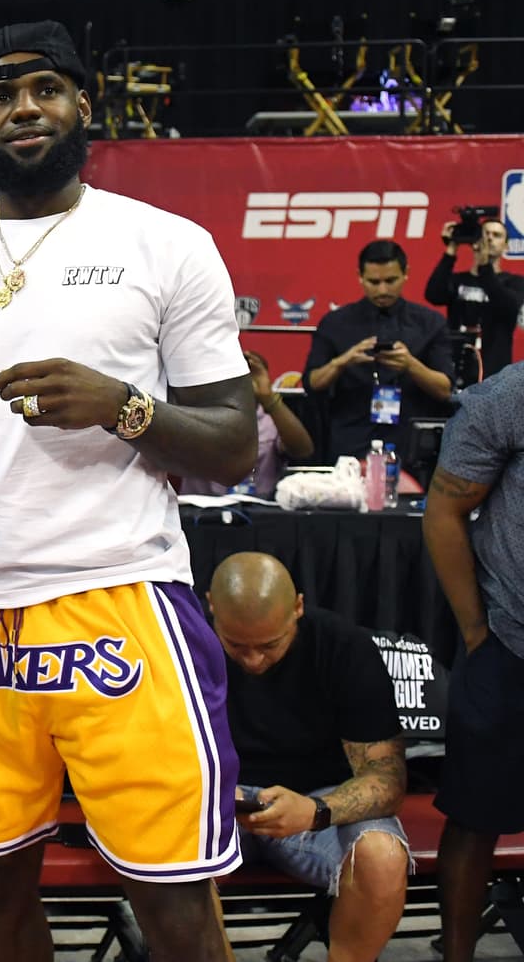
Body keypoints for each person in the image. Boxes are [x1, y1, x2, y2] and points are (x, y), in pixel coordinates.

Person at [0, 21, 256, 962]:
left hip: (122, 600)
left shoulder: (167, 245)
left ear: (84, 106)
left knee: (175, 897)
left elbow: (232, 443)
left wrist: (123, 407)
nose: (23, 107)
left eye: (45, 88)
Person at [209, 552, 410, 962]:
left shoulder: (344, 647)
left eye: (269, 645)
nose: (252, 659)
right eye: (235, 644)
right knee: (164, 846)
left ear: (298, 608)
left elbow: (387, 779)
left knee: (382, 856)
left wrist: (317, 810)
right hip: (214, 801)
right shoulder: (180, 644)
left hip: (318, 801)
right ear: (210, 605)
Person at [421, 361, 524, 962]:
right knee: (474, 816)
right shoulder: (510, 396)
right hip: (508, 641)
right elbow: (443, 512)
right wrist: (476, 631)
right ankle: (456, 952)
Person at [304, 239, 454, 462]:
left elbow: (445, 390)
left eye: (390, 280)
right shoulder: (335, 323)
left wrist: (411, 365)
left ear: (406, 274)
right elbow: (312, 383)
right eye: (374, 282)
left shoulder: (431, 323)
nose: (382, 290)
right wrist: (342, 361)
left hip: (410, 444)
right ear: (360, 276)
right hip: (350, 442)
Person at [179, 349, 313, 498]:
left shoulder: (272, 421)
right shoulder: (195, 411)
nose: (239, 383)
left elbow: (303, 450)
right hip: (199, 512)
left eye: (249, 374)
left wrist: (268, 397)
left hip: (257, 512)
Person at [424, 217, 524, 383]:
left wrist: (485, 267)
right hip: (455, 373)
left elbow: (509, 307)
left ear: (506, 246)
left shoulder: (515, 283)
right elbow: (433, 294)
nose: (489, 238)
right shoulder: (458, 280)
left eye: (496, 235)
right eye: (485, 234)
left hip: (494, 379)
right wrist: (451, 248)